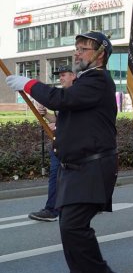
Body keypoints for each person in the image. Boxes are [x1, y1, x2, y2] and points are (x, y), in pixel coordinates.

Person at [6, 31, 120, 273]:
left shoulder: (98, 80)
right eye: (77, 48)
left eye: (83, 49)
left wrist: (29, 83)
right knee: (69, 230)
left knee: (73, 227)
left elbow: (61, 100)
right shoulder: (84, 83)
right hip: (76, 168)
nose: (77, 53)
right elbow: (69, 111)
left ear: (100, 53)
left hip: (93, 167)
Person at [28, 65, 76, 222]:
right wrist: (47, 115)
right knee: (57, 176)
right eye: (60, 75)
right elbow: (58, 120)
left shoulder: (77, 95)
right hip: (61, 145)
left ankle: (52, 210)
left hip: (74, 146)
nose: (61, 78)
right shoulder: (65, 95)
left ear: (73, 76)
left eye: (64, 75)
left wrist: (59, 126)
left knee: (62, 177)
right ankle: (53, 209)